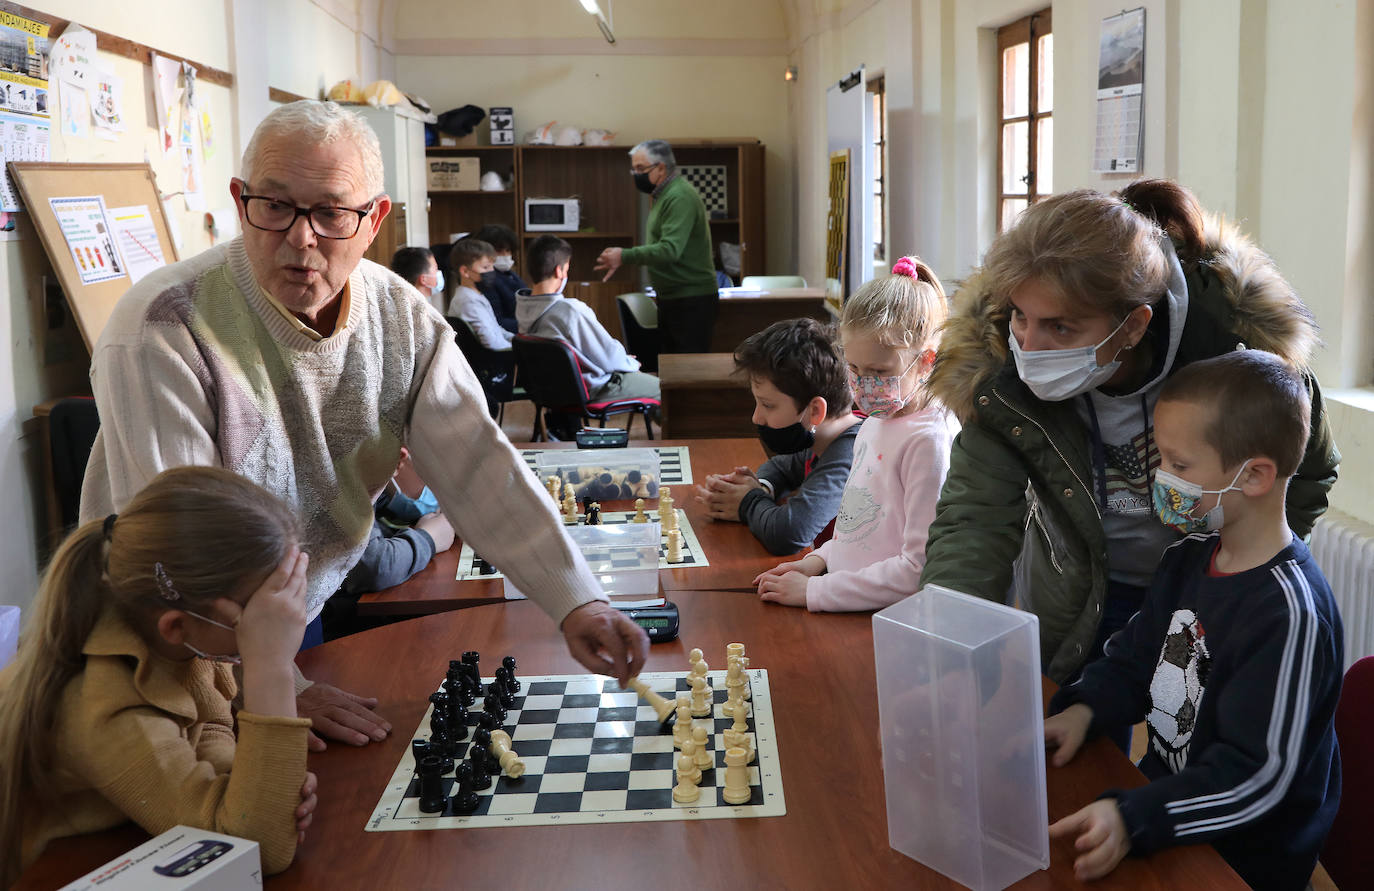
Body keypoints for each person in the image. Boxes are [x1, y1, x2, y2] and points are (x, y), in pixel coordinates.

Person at [79, 100, 650, 752]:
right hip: (167, 648)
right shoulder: (164, 325)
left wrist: (578, 598)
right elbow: (176, 556)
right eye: (275, 207)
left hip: (292, 614)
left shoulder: (401, 320)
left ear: (374, 218)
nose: (301, 238)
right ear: (241, 201)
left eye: (330, 212)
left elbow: (477, 463)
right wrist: (281, 685)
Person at [920, 180, 1339, 694]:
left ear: (1134, 326)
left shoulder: (1244, 358)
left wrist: (1246, 569)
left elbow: (1307, 471)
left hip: (1207, 590)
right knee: (1084, 739)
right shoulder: (999, 376)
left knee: (1185, 744)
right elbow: (973, 521)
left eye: (1061, 328)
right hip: (1078, 596)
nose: (1029, 346)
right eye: (1020, 318)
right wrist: (946, 646)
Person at [1043, 351, 1342, 891]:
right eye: (1162, 460)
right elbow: (1133, 661)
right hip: (1166, 812)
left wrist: (1136, 817)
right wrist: (1085, 709)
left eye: (1180, 467)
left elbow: (1256, 778)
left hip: (1239, 860)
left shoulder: (1290, 614)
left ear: (1254, 476)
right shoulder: (1187, 557)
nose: (1162, 479)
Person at [0, 467, 316, 883]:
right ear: (175, 626)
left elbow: (211, 729)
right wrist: (271, 666)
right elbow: (257, 848)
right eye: (260, 619)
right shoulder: (104, 707)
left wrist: (255, 781)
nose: (278, 626)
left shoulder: (179, 641)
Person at [752, 258, 960, 611]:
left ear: (926, 361)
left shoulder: (930, 441)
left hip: (884, 620)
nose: (863, 385)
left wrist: (815, 592)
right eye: (854, 369)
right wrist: (819, 560)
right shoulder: (876, 421)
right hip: (849, 604)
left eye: (879, 371)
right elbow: (863, 526)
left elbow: (916, 570)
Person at [695, 318, 862, 555]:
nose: (756, 417)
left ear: (815, 411)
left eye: (768, 405)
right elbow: (781, 467)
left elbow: (790, 533)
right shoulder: (820, 437)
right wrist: (760, 488)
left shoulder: (851, 453)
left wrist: (748, 502)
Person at [593, 140, 719, 353]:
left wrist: (625, 256)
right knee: (673, 371)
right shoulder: (663, 196)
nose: (636, 175)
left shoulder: (679, 197)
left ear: (661, 168)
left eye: (640, 169)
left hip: (690, 299)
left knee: (686, 373)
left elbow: (670, 250)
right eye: (633, 169)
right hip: (673, 297)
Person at [518, 234, 661, 411]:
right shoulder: (571, 311)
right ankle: (673, 439)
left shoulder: (522, 307)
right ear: (559, 271)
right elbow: (609, 357)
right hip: (594, 388)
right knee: (666, 391)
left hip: (552, 391)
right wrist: (627, 362)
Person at [446, 237, 512, 350]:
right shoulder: (468, 301)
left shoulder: (475, 295)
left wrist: (519, 341)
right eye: (486, 267)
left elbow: (496, 329)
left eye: (492, 266)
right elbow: (491, 343)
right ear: (465, 271)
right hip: (495, 362)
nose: (492, 271)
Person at [471, 223, 525, 333]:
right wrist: (530, 325)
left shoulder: (510, 274)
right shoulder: (487, 280)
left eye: (508, 250)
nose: (505, 255)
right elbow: (497, 321)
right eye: (499, 250)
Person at [390, 245, 443, 314]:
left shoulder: (397, 308)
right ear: (423, 279)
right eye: (436, 269)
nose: (438, 272)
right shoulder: (419, 314)